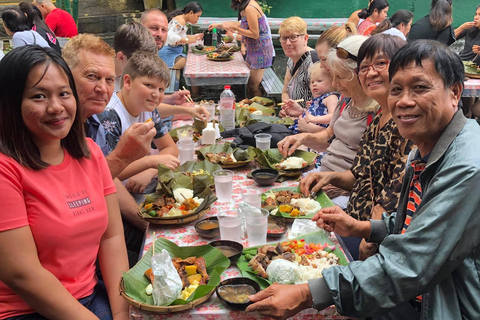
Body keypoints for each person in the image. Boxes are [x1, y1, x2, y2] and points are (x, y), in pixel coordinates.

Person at [246, 39, 480, 320]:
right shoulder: (425, 145)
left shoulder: (467, 166)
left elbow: (413, 262)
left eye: (419, 88)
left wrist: (308, 294)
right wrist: (364, 227)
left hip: (443, 304)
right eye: (397, 90)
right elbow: (415, 222)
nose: (404, 101)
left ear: (455, 92)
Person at [0, 45, 129, 320]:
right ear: (11, 104)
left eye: (63, 93)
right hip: (26, 311)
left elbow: (112, 237)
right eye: (38, 96)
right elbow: (21, 273)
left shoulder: (91, 153)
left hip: (91, 297)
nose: (56, 107)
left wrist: (122, 312)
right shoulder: (5, 170)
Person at [300, 34, 413, 260]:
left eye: (380, 64)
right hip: (352, 222)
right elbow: (359, 175)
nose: (370, 72)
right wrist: (328, 177)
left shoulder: (406, 122)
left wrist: (367, 240)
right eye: (364, 67)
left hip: (375, 240)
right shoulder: (379, 116)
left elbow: (394, 195)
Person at [62, 34, 158, 267]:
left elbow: (108, 184)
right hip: (77, 245)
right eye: (92, 77)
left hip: (107, 226)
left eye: (108, 79)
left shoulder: (94, 121)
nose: (102, 88)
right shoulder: (56, 126)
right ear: (64, 76)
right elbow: (72, 197)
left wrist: (144, 222)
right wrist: (125, 157)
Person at [279, 35, 379, 209]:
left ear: (359, 73)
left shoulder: (379, 112)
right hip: (324, 175)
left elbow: (373, 176)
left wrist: (339, 184)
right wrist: (303, 138)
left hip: (346, 190)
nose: (334, 83)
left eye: (340, 76)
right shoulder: (346, 100)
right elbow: (329, 136)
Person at [97, 51, 179, 182]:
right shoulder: (110, 115)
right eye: (149, 85)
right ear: (128, 82)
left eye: (161, 89)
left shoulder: (148, 108)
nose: (156, 95)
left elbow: (170, 148)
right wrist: (150, 162)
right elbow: (107, 173)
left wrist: (150, 171)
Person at [140, 9, 209, 128]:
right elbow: (140, 111)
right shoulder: (137, 61)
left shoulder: (151, 57)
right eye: (154, 28)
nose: (159, 34)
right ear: (140, 28)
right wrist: (179, 112)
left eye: (163, 30)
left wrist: (171, 99)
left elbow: (146, 101)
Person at [208, 0, 274, 97]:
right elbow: (239, 23)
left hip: (261, 51)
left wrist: (236, 30)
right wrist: (220, 25)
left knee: (253, 86)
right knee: (248, 84)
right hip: (252, 50)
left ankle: (259, 110)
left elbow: (255, 34)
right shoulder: (246, 6)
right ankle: (249, 107)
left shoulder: (250, 7)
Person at [278, 16, 319, 117]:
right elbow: (285, 91)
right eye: (284, 38)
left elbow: (322, 104)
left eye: (293, 37)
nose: (287, 43)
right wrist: (286, 108)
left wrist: (301, 112)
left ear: (305, 38)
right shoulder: (291, 60)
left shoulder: (314, 63)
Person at [289, 63, 339, 134]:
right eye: (312, 82)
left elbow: (333, 116)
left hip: (315, 133)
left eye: (319, 81)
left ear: (332, 82)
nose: (314, 84)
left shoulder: (331, 97)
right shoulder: (319, 98)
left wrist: (314, 119)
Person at [159, 1, 203, 70]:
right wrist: (187, 40)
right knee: (193, 64)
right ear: (191, 13)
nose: (198, 19)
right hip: (168, 54)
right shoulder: (180, 21)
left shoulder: (181, 19)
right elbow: (171, 36)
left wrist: (194, 37)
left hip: (173, 52)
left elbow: (179, 36)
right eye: (197, 16)